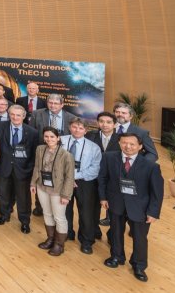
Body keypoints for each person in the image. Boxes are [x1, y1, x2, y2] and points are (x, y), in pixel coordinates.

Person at [99, 133, 163, 282]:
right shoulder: (109, 157)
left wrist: (153, 212)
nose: (128, 146)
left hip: (140, 207)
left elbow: (157, 193)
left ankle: (139, 265)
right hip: (116, 203)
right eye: (124, 143)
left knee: (140, 238)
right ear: (119, 143)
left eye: (132, 144)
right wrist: (103, 198)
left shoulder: (151, 166)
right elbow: (103, 178)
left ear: (140, 147)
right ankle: (116, 256)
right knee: (115, 232)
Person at [0, 104, 39, 233]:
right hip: (4, 167)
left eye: (18, 115)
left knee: (23, 198)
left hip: (23, 170)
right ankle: (4, 215)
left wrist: (29, 169)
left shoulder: (32, 132)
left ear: (24, 116)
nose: (15, 117)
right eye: (12, 114)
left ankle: (25, 221)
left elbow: (33, 153)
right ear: (9, 115)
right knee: (3, 194)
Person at [30, 127, 75, 256]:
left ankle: (59, 244)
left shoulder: (67, 155)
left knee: (59, 217)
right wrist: (33, 183)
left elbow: (69, 177)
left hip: (58, 190)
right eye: (46, 136)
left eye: (52, 137)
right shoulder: (40, 149)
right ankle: (50, 239)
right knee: (47, 213)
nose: (49, 139)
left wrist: (66, 195)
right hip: (42, 187)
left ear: (58, 138)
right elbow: (37, 167)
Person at [60, 118, 102, 253]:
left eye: (80, 128)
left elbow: (94, 169)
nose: (77, 130)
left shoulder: (93, 147)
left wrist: (74, 177)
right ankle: (67, 233)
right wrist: (67, 178)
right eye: (74, 127)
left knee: (86, 212)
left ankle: (86, 241)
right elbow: (55, 161)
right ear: (69, 127)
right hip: (63, 180)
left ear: (86, 130)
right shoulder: (60, 141)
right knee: (65, 210)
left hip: (85, 182)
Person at [87, 111, 119, 227]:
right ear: (97, 123)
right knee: (92, 205)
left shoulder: (121, 139)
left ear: (115, 124)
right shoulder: (89, 136)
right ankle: (95, 230)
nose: (105, 124)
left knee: (113, 206)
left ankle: (112, 234)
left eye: (108, 122)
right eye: (101, 121)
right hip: (93, 175)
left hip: (112, 177)